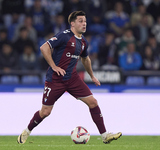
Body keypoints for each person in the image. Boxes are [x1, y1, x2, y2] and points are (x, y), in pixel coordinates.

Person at [17, 11, 122, 144]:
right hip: (55, 79)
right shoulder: (64, 36)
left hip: (72, 79)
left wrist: (92, 76)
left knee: (93, 102)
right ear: (72, 24)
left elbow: (85, 59)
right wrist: (54, 66)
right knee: (45, 112)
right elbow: (44, 48)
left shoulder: (84, 42)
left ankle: (105, 136)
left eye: (85, 21)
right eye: (80, 21)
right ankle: (27, 130)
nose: (84, 24)